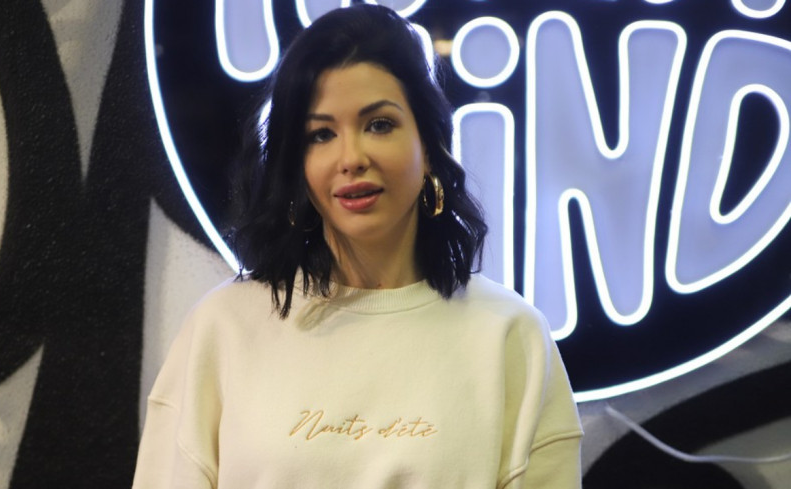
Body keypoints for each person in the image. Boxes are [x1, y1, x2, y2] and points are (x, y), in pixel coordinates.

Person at [133, 4, 582, 488]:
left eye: (379, 125)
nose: (351, 158)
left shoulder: (510, 337)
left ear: (429, 147)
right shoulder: (223, 328)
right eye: (321, 134)